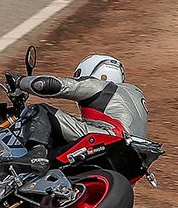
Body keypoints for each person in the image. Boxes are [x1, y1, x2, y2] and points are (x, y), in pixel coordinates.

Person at [13, 54, 147, 173]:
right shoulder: (136, 95)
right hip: (138, 153)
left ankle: (36, 156)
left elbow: (49, 85)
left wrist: (20, 82)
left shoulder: (101, 85)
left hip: (108, 137)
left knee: (40, 110)